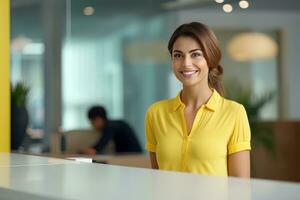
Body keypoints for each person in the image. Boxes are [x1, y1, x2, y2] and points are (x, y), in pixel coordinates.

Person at [145, 22, 251, 178]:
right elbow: (157, 179)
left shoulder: (234, 113)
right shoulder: (156, 113)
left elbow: (240, 188)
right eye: (178, 55)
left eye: (195, 54)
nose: (186, 63)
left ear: (210, 58)